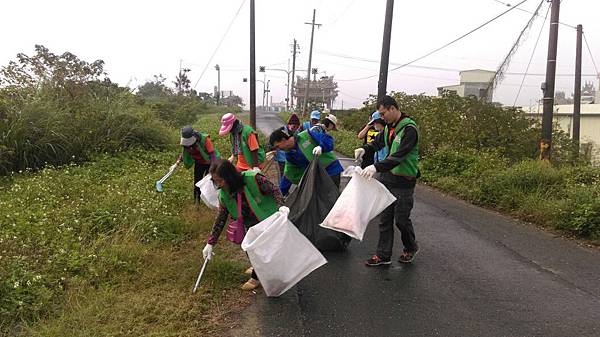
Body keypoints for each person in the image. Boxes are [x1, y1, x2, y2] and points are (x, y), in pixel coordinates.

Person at [354, 95, 420, 266]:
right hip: (387, 179)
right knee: (385, 219)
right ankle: (383, 255)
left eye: (383, 114)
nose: (381, 118)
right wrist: (364, 149)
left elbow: (399, 156)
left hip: (404, 181)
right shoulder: (390, 128)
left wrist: (376, 167)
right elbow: (377, 143)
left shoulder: (409, 129)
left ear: (392, 108)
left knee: (401, 220)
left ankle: (410, 247)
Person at [202, 159, 284, 291]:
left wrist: (281, 207)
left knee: (265, 249)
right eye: (216, 181)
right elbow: (221, 218)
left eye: (221, 180)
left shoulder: (254, 178)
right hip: (248, 224)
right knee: (250, 248)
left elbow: (275, 190)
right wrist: (210, 242)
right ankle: (257, 267)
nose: (219, 184)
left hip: (267, 219)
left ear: (230, 177)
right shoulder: (224, 195)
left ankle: (257, 276)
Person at [269, 126, 344, 196]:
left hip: (331, 171)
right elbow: (289, 174)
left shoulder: (306, 135)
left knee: (332, 198)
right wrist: (278, 195)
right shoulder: (290, 154)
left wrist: (321, 147)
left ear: (283, 140)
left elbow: (327, 139)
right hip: (317, 177)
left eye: (277, 146)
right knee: (321, 202)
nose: (278, 149)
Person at [171, 126, 220, 202]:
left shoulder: (205, 140)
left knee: (210, 181)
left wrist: (212, 168)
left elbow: (212, 154)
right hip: (199, 163)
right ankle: (196, 201)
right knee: (197, 182)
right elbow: (183, 154)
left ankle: (211, 200)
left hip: (210, 162)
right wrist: (176, 163)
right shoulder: (186, 145)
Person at [274, 113, 301, 181]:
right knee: (282, 175)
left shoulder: (296, 133)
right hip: (281, 158)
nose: (295, 129)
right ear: (289, 125)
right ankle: (281, 191)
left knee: (289, 176)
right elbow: (273, 143)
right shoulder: (281, 131)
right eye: (293, 126)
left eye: (297, 127)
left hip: (291, 158)